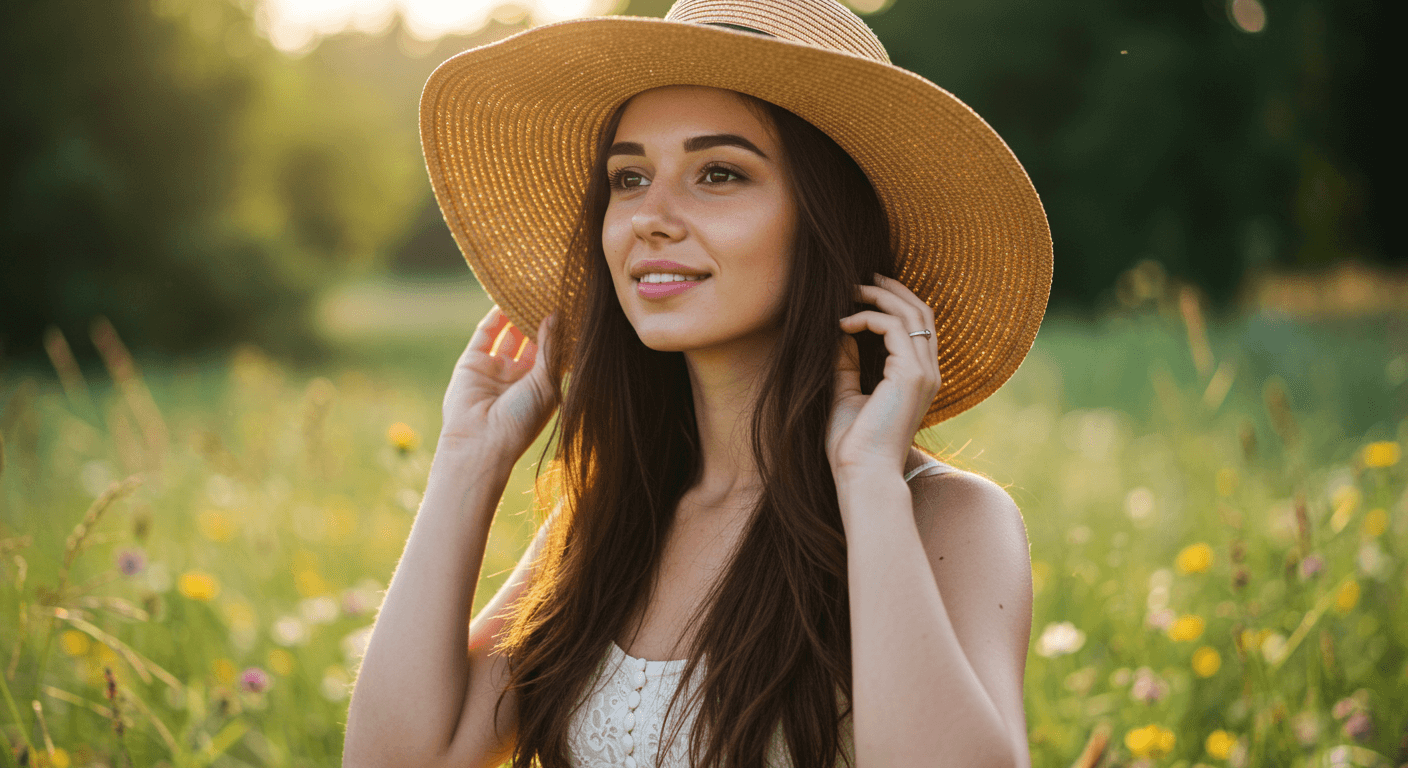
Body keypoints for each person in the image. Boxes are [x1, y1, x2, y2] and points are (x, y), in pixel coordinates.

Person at [343, 0, 1052, 766]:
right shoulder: (611, 520)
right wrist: (468, 459)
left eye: (719, 173)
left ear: (825, 220)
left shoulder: (947, 519)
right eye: (629, 176)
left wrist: (868, 483)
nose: (651, 215)